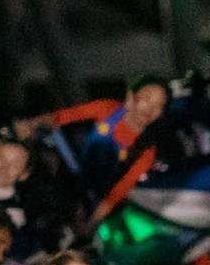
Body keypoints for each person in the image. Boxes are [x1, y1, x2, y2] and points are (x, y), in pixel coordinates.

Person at [22, 76, 171, 223]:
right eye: (146, 98)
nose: (150, 109)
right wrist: (33, 123)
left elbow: (116, 194)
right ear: (131, 96)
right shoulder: (107, 109)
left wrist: (91, 224)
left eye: (158, 106)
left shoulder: (147, 151)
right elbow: (61, 117)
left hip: (93, 196)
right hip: (68, 172)